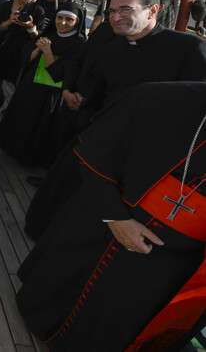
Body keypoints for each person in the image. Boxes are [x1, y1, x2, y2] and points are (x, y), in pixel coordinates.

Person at [17, 81, 205, 351]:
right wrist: (115, 217)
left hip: (172, 263)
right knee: (55, 301)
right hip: (104, 225)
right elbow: (95, 150)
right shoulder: (159, 97)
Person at [25, 0, 206, 240]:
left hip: (149, 156)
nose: (115, 17)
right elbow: (98, 90)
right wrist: (79, 100)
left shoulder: (189, 49)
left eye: (125, 10)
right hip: (101, 136)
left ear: (153, 10)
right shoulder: (112, 47)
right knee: (58, 195)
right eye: (112, 11)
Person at [0, 2, 85, 167]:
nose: (62, 23)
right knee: (21, 118)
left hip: (51, 93)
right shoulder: (49, 33)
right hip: (31, 86)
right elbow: (26, 60)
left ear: (77, 22)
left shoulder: (79, 45)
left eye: (69, 20)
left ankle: (29, 159)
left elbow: (61, 75)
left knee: (39, 127)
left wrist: (48, 52)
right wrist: (36, 50)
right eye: (59, 17)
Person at [0, 0, 41, 89]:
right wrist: (9, 21)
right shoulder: (5, 6)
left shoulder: (37, 10)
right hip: (0, 52)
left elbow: (38, 39)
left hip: (18, 58)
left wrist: (31, 27)